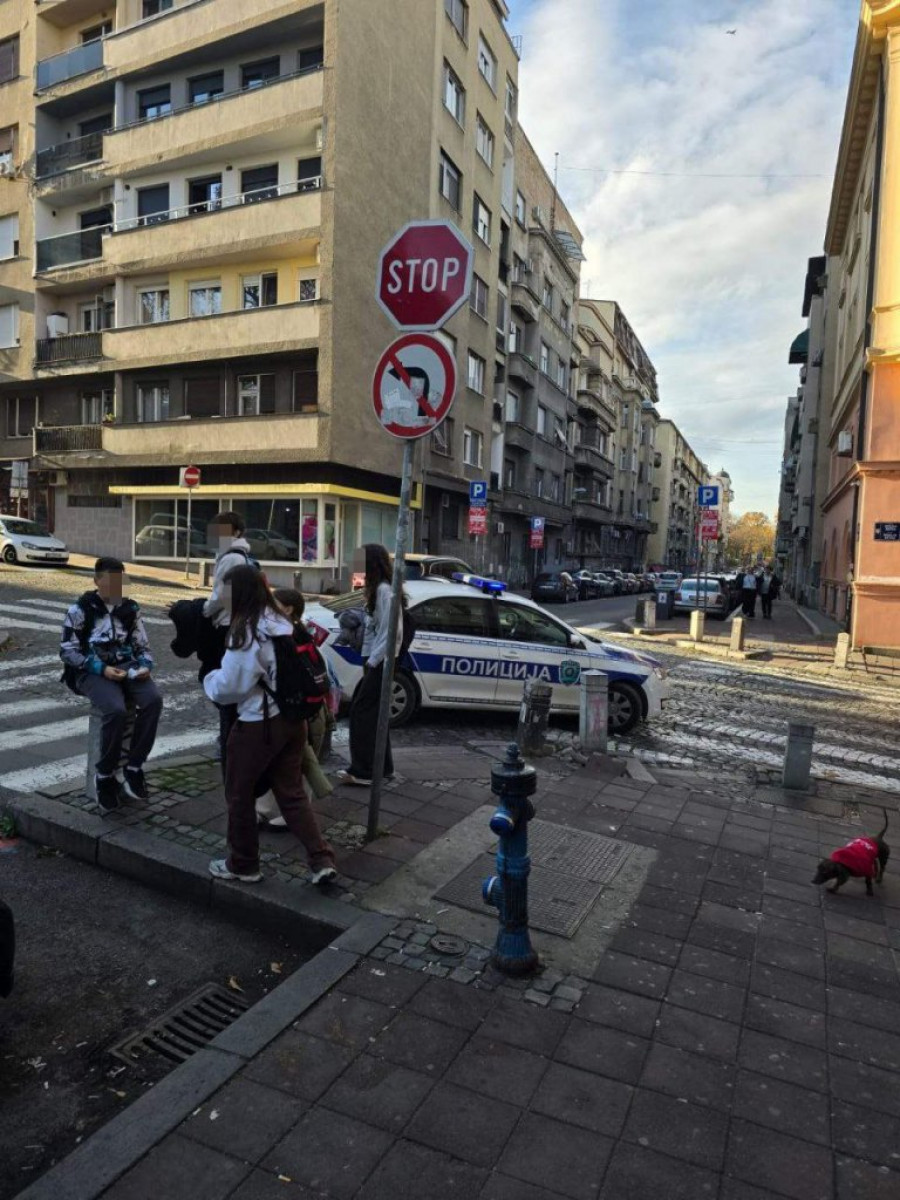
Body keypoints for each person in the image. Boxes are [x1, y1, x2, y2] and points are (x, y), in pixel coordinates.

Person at [202, 564, 336, 885]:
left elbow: (231, 686)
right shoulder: (282, 621)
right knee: (292, 794)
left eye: (226, 591)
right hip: (294, 721)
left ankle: (243, 864)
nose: (223, 597)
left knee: (239, 793)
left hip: (259, 725)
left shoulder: (247, 630)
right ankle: (321, 860)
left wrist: (209, 679)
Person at [60, 557, 163, 814]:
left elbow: (143, 646)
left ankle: (134, 767)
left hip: (127, 666)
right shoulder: (80, 610)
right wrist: (101, 669)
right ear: (96, 581)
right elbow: (67, 651)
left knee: (153, 700)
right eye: (109, 583)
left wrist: (145, 666)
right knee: (115, 710)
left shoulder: (130, 609)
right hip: (90, 670)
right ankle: (104, 774)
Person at [255, 587, 335, 830]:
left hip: (296, 711)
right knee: (288, 761)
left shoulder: (285, 636)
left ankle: (296, 817)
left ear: (288, 609)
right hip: (310, 709)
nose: (267, 609)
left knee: (297, 763)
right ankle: (264, 809)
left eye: (273, 604)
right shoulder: (303, 633)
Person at [338, 543, 402, 787]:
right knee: (374, 714)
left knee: (362, 712)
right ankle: (383, 767)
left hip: (381, 660)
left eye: (359, 561)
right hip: (374, 659)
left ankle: (364, 771)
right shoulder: (377, 589)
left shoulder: (384, 591)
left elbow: (391, 631)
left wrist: (374, 661)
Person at [203, 511, 254, 772]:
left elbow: (221, 595)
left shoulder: (232, 558)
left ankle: (230, 739)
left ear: (236, 532)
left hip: (226, 624)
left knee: (216, 680)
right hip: (232, 621)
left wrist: (204, 611)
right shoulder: (239, 555)